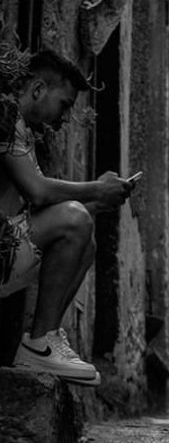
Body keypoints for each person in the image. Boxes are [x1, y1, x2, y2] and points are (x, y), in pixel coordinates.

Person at [0, 49, 135, 386]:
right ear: (37, 89)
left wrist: (94, 202)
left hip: (6, 250)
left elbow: (33, 208)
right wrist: (95, 189)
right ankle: (38, 345)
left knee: (84, 235)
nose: (64, 118)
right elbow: (38, 192)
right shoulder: (4, 114)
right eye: (64, 105)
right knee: (76, 219)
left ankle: (45, 338)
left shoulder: (23, 130)